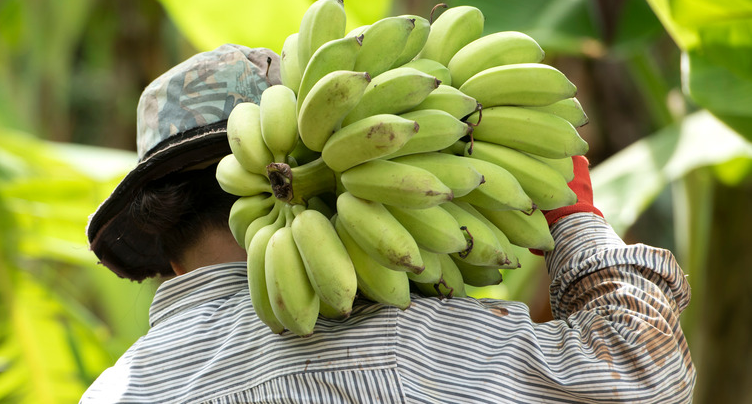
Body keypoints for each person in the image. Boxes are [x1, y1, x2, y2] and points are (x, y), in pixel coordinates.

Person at [80, 43, 696, 403]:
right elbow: (645, 376)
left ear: (161, 241)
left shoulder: (107, 395)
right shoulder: (404, 343)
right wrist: (575, 222)